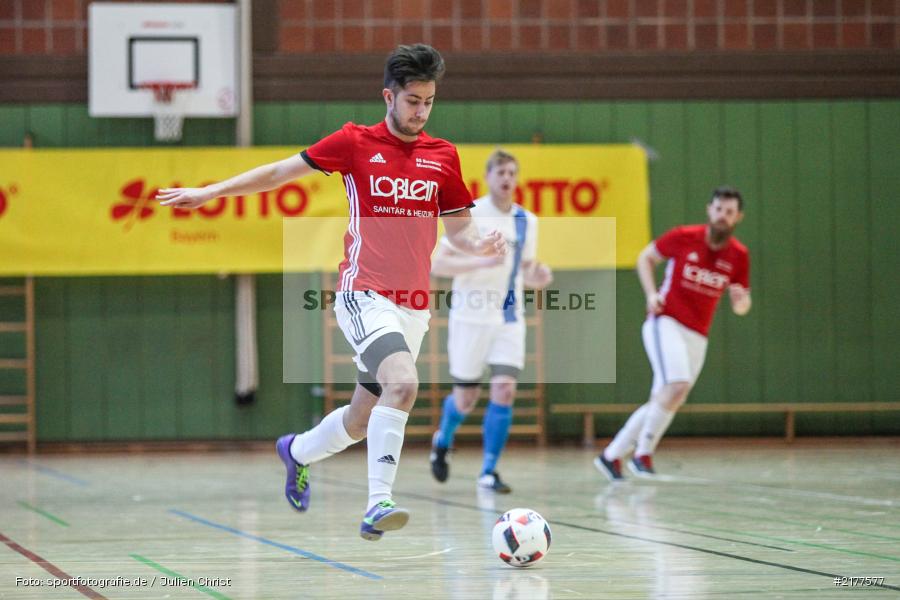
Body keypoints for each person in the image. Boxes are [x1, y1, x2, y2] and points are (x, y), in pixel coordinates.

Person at [157, 44, 506, 540]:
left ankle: (296, 451)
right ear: (389, 96)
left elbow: (459, 233)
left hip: (413, 307)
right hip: (363, 294)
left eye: (428, 101)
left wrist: (481, 244)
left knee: (363, 420)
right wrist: (211, 192)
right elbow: (280, 172)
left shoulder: (442, 156)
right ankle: (377, 504)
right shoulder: (354, 142)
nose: (421, 110)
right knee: (403, 385)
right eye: (412, 100)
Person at [595, 186, 751, 481]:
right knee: (677, 386)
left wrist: (741, 303)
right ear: (709, 210)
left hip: (698, 334)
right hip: (665, 321)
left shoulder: (739, 255)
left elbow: (742, 301)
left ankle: (611, 456)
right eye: (718, 209)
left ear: (737, 217)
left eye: (729, 212)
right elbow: (645, 258)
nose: (722, 216)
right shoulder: (684, 237)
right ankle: (643, 454)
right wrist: (651, 294)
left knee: (667, 397)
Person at [428, 149, 552, 493]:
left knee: (505, 389)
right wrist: (478, 264)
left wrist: (538, 275)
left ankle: (488, 471)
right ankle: (443, 438)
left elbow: (526, 268)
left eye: (512, 172)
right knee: (465, 399)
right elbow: (437, 265)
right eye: (501, 172)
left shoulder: (527, 221)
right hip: (469, 317)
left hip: (509, 318)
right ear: (488, 177)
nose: (507, 178)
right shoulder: (471, 215)